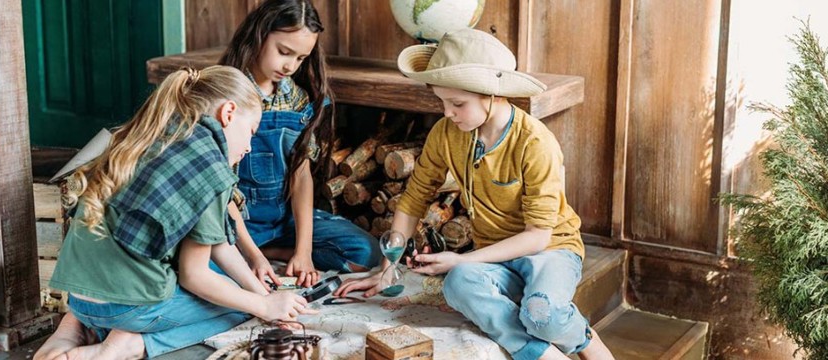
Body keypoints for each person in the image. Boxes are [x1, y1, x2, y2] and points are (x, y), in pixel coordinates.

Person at [335, 29, 615, 360]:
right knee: (458, 285)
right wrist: (388, 266)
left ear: (492, 95)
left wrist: (461, 258)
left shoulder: (535, 143)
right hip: (494, 255)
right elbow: (414, 199)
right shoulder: (446, 133)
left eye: (457, 104)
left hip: (550, 251)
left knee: (543, 315)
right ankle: (540, 354)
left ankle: (585, 340)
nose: (447, 113)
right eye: (442, 102)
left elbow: (538, 238)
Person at [34, 66, 316, 360]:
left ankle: (71, 331)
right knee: (239, 308)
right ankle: (128, 346)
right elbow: (194, 277)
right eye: (251, 132)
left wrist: (265, 296)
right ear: (229, 113)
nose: (248, 147)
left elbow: (219, 244)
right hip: (125, 309)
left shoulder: (152, 135)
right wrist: (263, 307)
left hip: (79, 298)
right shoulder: (210, 166)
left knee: (239, 290)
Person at [219, 0, 380, 288]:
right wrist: (252, 255)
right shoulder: (226, 92)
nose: (290, 66)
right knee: (196, 268)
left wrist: (303, 252)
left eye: (300, 59)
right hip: (233, 223)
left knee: (366, 252)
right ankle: (257, 255)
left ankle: (277, 252)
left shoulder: (295, 98)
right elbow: (220, 189)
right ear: (260, 34)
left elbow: (300, 174)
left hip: (282, 223)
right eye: (284, 52)